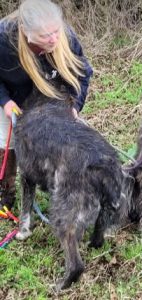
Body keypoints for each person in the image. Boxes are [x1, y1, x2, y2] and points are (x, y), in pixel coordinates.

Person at [0, 0, 93, 210]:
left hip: (52, 93)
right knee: (7, 141)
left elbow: (82, 74)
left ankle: (66, 188)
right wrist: (5, 102)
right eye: (45, 35)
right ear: (26, 32)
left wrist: (75, 106)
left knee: (64, 138)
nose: (53, 39)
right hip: (14, 95)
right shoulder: (4, 39)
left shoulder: (64, 36)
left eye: (55, 32)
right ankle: (6, 192)